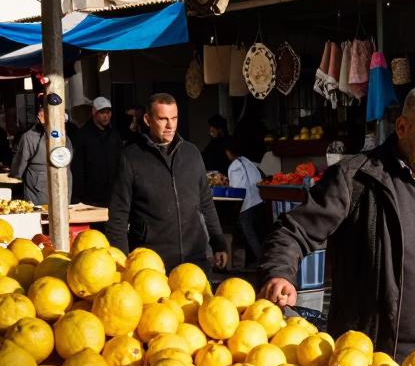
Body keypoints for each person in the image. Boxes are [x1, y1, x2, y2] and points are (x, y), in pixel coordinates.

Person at [259, 84, 415, 366]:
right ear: (402, 127)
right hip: (374, 365)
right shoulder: (357, 180)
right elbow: (293, 229)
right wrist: (280, 274)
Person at [108, 93, 227, 274]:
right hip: (150, 265)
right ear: (148, 119)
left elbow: (206, 203)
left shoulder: (192, 153)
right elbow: (118, 216)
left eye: (174, 118)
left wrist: (218, 242)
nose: (170, 125)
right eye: (163, 119)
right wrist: (121, 262)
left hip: (194, 261)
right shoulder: (131, 158)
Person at [10, 101, 73, 205]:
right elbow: (18, 167)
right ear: (41, 116)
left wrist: (14, 175)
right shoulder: (30, 137)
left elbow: (17, 169)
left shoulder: (65, 139)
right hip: (44, 191)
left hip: (56, 188)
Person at [70, 96, 123, 208]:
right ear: (94, 112)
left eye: (108, 112)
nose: (106, 116)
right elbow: (77, 167)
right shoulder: (82, 136)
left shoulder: (115, 135)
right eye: (102, 112)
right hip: (90, 198)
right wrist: (77, 197)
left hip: (113, 195)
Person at [225, 135, 269, 261]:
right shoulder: (248, 161)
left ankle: (261, 262)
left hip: (247, 204)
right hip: (260, 201)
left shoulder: (233, 167)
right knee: (262, 234)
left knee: (250, 235)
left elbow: (237, 190)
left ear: (228, 152)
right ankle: (266, 260)